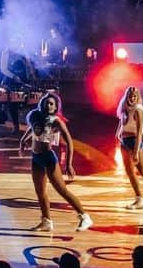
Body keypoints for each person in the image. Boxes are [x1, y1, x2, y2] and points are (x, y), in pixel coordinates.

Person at [19, 96, 92, 232]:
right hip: (36, 158)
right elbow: (32, 129)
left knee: (62, 190)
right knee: (40, 192)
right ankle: (46, 221)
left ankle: (84, 216)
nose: (49, 106)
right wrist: (23, 141)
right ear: (42, 104)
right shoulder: (36, 116)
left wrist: (69, 164)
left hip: (48, 158)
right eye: (46, 103)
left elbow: (70, 142)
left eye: (51, 104)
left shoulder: (56, 121)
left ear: (56, 107)